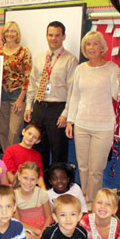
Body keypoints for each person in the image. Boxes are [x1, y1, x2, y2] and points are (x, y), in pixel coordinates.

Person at [65, 31, 120, 203]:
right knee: (82, 167)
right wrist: (70, 121)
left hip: (103, 127)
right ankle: (84, 200)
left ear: (102, 47)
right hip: (81, 125)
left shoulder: (112, 68)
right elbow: (74, 96)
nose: (91, 47)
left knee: (96, 170)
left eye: (95, 44)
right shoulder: (80, 69)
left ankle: (92, 204)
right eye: (88, 44)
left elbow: (118, 96)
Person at [24, 21, 78, 171]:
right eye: (50, 35)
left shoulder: (70, 60)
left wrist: (66, 114)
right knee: (37, 149)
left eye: (57, 35)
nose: (53, 38)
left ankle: (57, 188)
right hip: (39, 107)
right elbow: (32, 84)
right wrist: (29, 106)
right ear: (46, 36)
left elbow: (73, 90)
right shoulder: (40, 58)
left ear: (63, 37)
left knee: (58, 152)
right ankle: (40, 184)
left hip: (58, 109)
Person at [0, 21, 32, 151]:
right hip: (1, 96)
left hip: (17, 95)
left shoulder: (24, 52)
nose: (10, 34)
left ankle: (12, 156)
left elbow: (27, 76)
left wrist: (21, 98)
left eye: (13, 31)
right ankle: (6, 158)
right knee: (3, 130)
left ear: (18, 34)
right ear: (3, 34)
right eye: (7, 31)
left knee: (14, 130)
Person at [12, 162, 52, 239]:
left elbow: (49, 216)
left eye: (33, 179)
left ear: (38, 180)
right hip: (26, 228)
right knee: (25, 237)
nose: (28, 183)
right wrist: (36, 231)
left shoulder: (42, 194)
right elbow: (17, 221)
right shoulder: (14, 195)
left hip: (43, 227)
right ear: (19, 176)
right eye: (25, 178)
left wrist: (43, 231)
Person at [3, 122, 44, 186]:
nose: (30, 138)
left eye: (35, 137)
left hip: (29, 187)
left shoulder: (37, 155)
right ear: (23, 132)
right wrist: (20, 188)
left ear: (38, 141)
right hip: (13, 186)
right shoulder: (10, 150)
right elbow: (8, 174)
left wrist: (43, 192)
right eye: (29, 133)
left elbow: (40, 177)